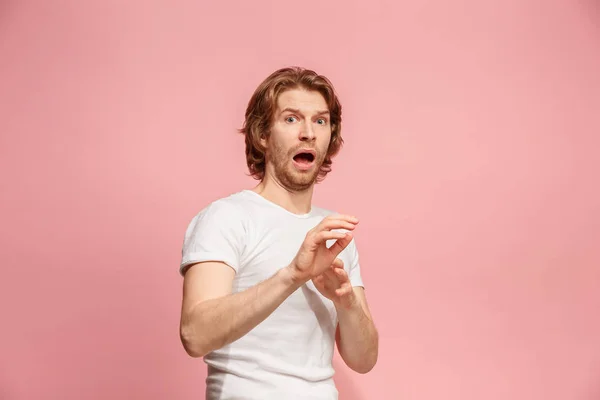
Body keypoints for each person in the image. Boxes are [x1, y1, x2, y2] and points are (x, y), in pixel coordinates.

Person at [178, 66, 379, 400]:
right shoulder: (226, 217)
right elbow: (194, 335)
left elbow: (364, 359)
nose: (308, 133)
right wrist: (292, 276)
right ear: (262, 135)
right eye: (291, 119)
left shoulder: (333, 231)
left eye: (320, 120)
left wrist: (346, 301)